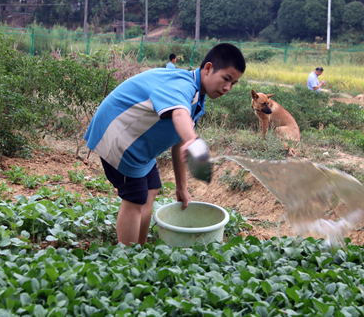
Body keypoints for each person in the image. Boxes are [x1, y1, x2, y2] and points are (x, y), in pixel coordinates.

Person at [84, 43, 246, 246]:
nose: (227, 88)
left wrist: (181, 186)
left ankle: (139, 246)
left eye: (234, 84)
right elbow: (179, 114)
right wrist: (193, 141)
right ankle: (126, 258)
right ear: (208, 68)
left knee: (151, 189)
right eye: (226, 79)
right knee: (135, 199)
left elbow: (178, 142)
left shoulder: (197, 95)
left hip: (138, 145)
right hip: (118, 136)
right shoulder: (184, 85)